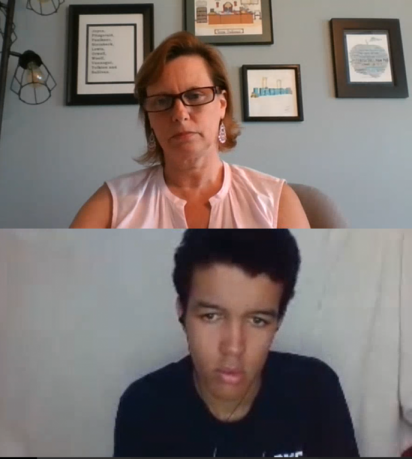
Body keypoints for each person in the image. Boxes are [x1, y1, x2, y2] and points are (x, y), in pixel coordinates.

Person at [113, 230, 358, 457]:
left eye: (258, 320)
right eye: (211, 316)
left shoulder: (315, 391)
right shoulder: (145, 408)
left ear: (278, 322)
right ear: (182, 312)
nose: (233, 347)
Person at [71, 32, 310, 229]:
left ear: (221, 105)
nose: (180, 113)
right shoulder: (112, 203)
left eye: (195, 96)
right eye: (162, 101)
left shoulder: (275, 200)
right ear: (149, 119)